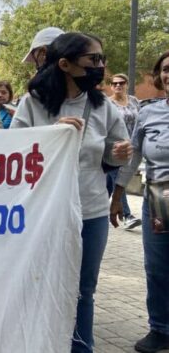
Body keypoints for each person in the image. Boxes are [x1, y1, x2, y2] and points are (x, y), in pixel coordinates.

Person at [10, 32, 132, 353]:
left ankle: (82, 347)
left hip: (90, 213)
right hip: (43, 215)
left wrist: (118, 155)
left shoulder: (103, 106)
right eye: (93, 60)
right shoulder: (32, 104)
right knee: (39, 283)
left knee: (83, 291)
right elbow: (13, 155)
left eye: (102, 59)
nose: (100, 66)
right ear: (64, 64)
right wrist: (50, 136)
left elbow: (111, 152)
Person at [109, 51, 169, 353]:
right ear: (159, 76)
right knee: (158, 267)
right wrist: (117, 195)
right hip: (161, 197)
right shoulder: (149, 112)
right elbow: (132, 157)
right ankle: (161, 328)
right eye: (167, 70)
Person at [106, 73, 142, 230]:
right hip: (116, 149)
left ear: (126, 84)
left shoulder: (134, 101)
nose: (118, 86)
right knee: (118, 178)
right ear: (111, 86)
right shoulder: (107, 104)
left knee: (109, 184)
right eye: (114, 84)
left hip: (133, 147)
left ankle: (98, 211)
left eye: (121, 83)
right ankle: (127, 216)